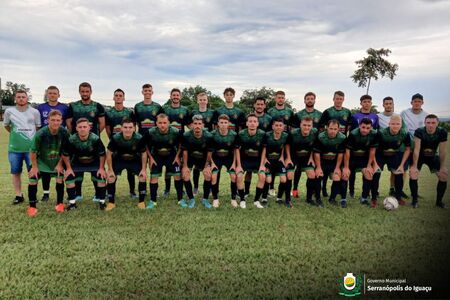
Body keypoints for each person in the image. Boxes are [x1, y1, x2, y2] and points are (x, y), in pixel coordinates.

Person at [65, 82, 106, 201]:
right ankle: (77, 194)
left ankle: (98, 195)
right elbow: (69, 123)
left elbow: (102, 124)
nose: (85, 94)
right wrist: (77, 135)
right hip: (76, 143)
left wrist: (92, 135)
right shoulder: (73, 106)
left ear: (91, 92)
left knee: (96, 169)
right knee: (77, 169)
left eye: (87, 91)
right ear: (79, 92)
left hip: (92, 143)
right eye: (82, 91)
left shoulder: (98, 106)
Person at [26, 110, 68, 217]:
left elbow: (65, 150)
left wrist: (60, 164)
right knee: (32, 179)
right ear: (48, 120)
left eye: (58, 120)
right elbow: (33, 151)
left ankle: (59, 204)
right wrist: (34, 167)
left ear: (61, 121)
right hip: (41, 162)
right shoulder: (41, 133)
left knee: (59, 178)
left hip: (56, 161)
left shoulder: (64, 132)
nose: (55, 122)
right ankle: (32, 207)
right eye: (53, 120)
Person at [4, 90, 41, 204]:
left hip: (31, 149)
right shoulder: (9, 111)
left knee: (34, 173)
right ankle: (18, 195)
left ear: (27, 98)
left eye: (23, 97)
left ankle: (33, 196)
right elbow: (7, 126)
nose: (21, 99)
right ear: (15, 98)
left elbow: (38, 128)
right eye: (18, 97)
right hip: (15, 149)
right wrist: (17, 134)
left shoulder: (35, 112)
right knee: (16, 172)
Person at [61, 118, 107, 210]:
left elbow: (102, 154)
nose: (82, 129)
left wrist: (101, 168)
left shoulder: (95, 139)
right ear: (76, 128)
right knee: (69, 177)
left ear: (89, 127)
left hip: (94, 162)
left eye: (85, 127)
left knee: (101, 177)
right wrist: (69, 168)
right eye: (80, 127)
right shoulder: (72, 139)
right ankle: (72, 203)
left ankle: (102, 202)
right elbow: (65, 155)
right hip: (77, 163)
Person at [141, 114, 183, 208]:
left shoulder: (176, 131)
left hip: (172, 156)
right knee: (154, 178)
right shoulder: (151, 132)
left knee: (177, 177)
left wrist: (177, 157)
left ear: (168, 123)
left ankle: (180, 199)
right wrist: (150, 158)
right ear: (156, 123)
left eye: (164, 122)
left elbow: (182, 143)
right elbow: (144, 145)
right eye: (160, 123)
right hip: (156, 157)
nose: (162, 125)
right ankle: (153, 201)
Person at [105, 118, 147, 211]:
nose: (128, 129)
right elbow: (109, 153)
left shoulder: (139, 138)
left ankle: (141, 202)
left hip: (134, 160)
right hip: (119, 160)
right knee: (111, 177)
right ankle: (111, 203)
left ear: (134, 128)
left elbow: (144, 153)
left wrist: (144, 169)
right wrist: (110, 169)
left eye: (130, 127)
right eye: (125, 127)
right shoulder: (116, 138)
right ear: (121, 128)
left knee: (142, 176)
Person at [37, 86, 69, 202]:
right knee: (45, 169)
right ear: (47, 94)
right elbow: (38, 123)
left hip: (59, 140)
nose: (52, 95)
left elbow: (68, 123)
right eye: (50, 93)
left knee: (59, 167)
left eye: (55, 93)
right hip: (45, 141)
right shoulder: (40, 107)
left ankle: (60, 198)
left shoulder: (64, 107)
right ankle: (46, 194)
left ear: (58, 95)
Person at [318, 91, 352, 198]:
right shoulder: (327, 112)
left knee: (337, 169)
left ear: (343, 100)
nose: (339, 100)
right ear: (333, 99)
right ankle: (323, 189)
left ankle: (337, 192)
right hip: (328, 143)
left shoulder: (347, 112)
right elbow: (321, 127)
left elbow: (350, 127)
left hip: (340, 144)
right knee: (324, 169)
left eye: (341, 99)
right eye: (337, 98)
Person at [409, 114, 447, 208]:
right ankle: (414, 200)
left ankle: (439, 202)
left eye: (433, 123)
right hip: (420, 157)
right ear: (425, 123)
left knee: (443, 176)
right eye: (428, 123)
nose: (430, 125)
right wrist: (414, 166)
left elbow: (442, 151)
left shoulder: (442, 132)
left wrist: (442, 167)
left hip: (432, 157)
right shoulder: (419, 131)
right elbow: (416, 149)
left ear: (437, 123)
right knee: (413, 174)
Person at [105, 88, 138, 198]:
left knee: (131, 170)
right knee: (114, 168)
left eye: (120, 95)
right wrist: (113, 139)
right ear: (113, 97)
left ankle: (132, 191)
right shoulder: (109, 112)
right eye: (116, 95)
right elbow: (108, 128)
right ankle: (109, 191)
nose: (118, 97)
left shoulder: (129, 112)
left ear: (124, 98)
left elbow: (134, 126)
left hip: (128, 144)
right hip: (116, 145)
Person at [373, 114, 411, 206]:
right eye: (393, 123)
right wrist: (374, 163)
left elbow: (408, 149)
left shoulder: (405, 133)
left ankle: (398, 197)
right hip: (380, 155)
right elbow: (373, 149)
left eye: (398, 124)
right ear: (389, 123)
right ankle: (374, 198)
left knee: (399, 173)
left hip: (394, 155)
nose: (395, 126)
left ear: (401, 124)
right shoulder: (381, 133)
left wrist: (402, 165)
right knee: (376, 173)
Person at [290, 92, 322, 198]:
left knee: (314, 169)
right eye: (308, 98)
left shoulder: (319, 114)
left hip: (311, 147)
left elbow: (321, 132)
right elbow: (294, 132)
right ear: (304, 100)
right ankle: (295, 189)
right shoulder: (298, 115)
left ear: (314, 100)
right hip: (298, 147)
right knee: (297, 169)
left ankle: (314, 191)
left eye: (312, 98)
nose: (310, 100)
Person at [348, 95, 379, 199]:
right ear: (361, 103)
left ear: (371, 103)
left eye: (368, 101)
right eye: (364, 101)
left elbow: (375, 131)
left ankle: (366, 192)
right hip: (355, 147)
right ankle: (351, 190)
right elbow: (351, 131)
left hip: (367, 148)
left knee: (366, 170)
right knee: (352, 171)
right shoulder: (355, 116)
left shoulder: (375, 116)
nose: (366, 103)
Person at [342, 118, 378, 207]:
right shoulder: (353, 134)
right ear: (359, 126)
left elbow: (372, 150)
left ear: (371, 128)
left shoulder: (374, 134)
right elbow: (347, 151)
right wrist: (346, 167)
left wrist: (369, 165)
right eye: (363, 127)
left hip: (363, 159)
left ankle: (364, 198)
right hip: (352, 158)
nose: (365, 130)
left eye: (368, 128)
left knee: (369, 174)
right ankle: (343, 199)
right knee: (345, 174)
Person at [377, 96, 408, 198]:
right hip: (382, 148)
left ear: (393, 104)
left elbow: (402, 133)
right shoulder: (378, 116)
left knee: (397, 171)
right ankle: (374, 192)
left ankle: (395, 190)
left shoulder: (398, 117)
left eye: (390, 103)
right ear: (383, 105)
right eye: (386, 103)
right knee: (377, 171)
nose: (389, 105)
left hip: (396, 148)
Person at [162, 88, 191, 197]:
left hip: (180, 141)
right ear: (170, 96)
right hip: (167, 141)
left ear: (180, 97)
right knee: (168, 167)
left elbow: (189, 124)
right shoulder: (165, 110)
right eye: (173, 95)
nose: (175, 97)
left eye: (177, 95)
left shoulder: (185, 110)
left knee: (180, 165)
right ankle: (167, 189)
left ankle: (181, 189)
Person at [181, 115, 214, 208]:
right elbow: (185, 152)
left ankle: (205, 199)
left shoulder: (209, 136)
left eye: (200, 124)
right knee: (185, 174)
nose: (197, 126)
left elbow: (209, 153)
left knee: (208, 174)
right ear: (191, 125)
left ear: (203, 125)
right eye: (195, 123)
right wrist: (185, 166)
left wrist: (207, 166)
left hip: (203, 159)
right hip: (191, 158)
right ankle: (191, 199)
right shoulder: (186, 135)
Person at [284, 117, 319, 206]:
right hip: (293, 156)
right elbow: (287, 145)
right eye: (304, 125)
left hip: (306, 156)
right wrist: (288, 158)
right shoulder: (293, 133)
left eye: (309, 125)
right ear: (300, 125)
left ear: (312, 126)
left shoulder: (314, 132)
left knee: (312, 174)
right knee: (289, 175)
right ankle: (287, 199)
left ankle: (309, 199)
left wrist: (311, 158)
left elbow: (313, 146)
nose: (306, 127)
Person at [242, 97, 272, 199]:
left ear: (264, 106)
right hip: (249, 149)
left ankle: (264, 193)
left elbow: (270, 135)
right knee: (248, 172)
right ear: (254, 105)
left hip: (263, 149)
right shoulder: (249, 117)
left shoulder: (269, 118)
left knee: (264, 173)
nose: (259, 106)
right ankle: (246, 192)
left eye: (261, 104)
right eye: (257, 104)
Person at [208, 114, 240, 208]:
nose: (223, 124)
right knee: (214, 176)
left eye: (225, 122)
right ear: (218, 123)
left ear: (229, 124)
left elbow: (235, 150)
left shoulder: (234, 135)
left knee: (234, 177)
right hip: (216, 158)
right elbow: (209, 151)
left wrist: (234, 163)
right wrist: (212, 163)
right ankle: (215, 199)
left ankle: (233, 199)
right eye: (221, 122)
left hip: (229, 158)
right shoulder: (213, 134)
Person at [235, 113, 267, 208]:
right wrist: (239, 165)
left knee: (262, 176)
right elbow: (237, 149)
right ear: (247, 123)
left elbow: (264, 150)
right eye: (250, 121)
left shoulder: (262, 134)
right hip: (244, 160)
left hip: (257, 160)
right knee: (239, 176)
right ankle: (242, 200)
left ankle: (256, 201)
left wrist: (262, 165)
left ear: (257, 123)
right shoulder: (241, 134)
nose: (252, 123)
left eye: (254, 121)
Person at [313, 119, 347, 208]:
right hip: (322, 161)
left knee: (336, 177)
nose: (333, 131)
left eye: (335, 129)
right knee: (318, 175)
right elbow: (316, 153)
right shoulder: (320, 137)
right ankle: (318, 198)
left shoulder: (342, 138)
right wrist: (318, 167)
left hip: (334, 162)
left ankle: (332, 198)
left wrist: (337, 168)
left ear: (338, 129)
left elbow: (340, 154)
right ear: (326, 128)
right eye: (331, 128)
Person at [267, 91, 293, 196]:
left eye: (282, 97)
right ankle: (271, 187)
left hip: (285, 141)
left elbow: (291, 126)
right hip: (273, 141)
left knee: (284, 164)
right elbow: (269, 127)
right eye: (279, 97)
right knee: (272, 164)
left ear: (284, 99)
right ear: (275, 99)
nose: (280, 99)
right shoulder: (270, 111)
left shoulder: (289, 112)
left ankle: (287, 188)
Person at [190, 92, 215, 196]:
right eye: (200, 100)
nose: (202, 101)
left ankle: (208, 188)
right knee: (196, 167)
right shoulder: (193, 112)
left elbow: (214, 127)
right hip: (196, 142)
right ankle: (195, 187)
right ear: (197, 101)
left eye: (204, 99)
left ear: (207, 101)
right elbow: (190, 125)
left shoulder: (212, 112)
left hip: (207, 143)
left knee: (207, 165)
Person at [262, 118, 290, 207]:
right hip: (268, 160)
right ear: (273, 126)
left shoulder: (285, 136)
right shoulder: (267, 135)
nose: (278, 127)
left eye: (280, 125)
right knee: (268, 179)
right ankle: (264, 198)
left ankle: (279, 198)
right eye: (276, 125)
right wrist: (264, 160)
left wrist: (282, 157)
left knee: (283, 179)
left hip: (278, 160)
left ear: (283, 127)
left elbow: (283, 147)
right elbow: (264, 149)